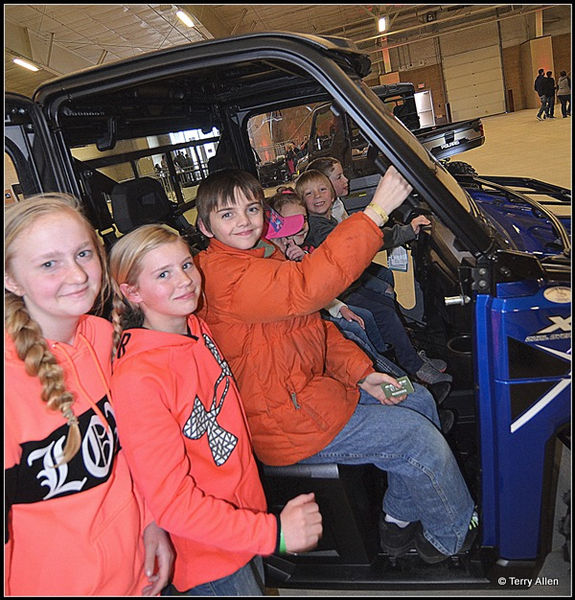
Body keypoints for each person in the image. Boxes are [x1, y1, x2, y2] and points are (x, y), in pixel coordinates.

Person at [194, 167, 478, 564]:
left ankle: (397, 521)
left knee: (419, 401)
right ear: (205, 227)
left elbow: (319, 331)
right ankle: (451, 537)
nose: (243, 221)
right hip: (288, 421)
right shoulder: (222, 277)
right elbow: (309, 287)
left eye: (251, 209)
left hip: (313, 393)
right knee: (416, 437)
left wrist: (366, 374)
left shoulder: (264, 255)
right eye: (227, 215)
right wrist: (375, 212)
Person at [107, 224, 322, 596]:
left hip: (242, 517)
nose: (185, 281)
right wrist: (275, 532)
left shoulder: (195, 326)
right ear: (132, 292)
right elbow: (173, 503)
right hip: (208, 554)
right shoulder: (139, 379)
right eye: (163, 274)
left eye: (186, 265)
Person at [4, 194, 174, 596]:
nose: (78, 275)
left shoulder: (102, 338)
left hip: (139, 575)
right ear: (11, 279)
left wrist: (153, 521)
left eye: (83, 253)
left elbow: (133, 448)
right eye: (49, 263)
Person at [295, 167, 451, 387]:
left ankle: (407, 352)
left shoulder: (327, 221)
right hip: (338, 293)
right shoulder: (318, 228)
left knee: (386, 300)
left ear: (332, 194)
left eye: (322, 190)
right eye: (309, 194)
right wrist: (406, 231)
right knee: (383, 313)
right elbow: (357, 240)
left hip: (345, 286)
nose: (317, 196)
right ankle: (412, 366)